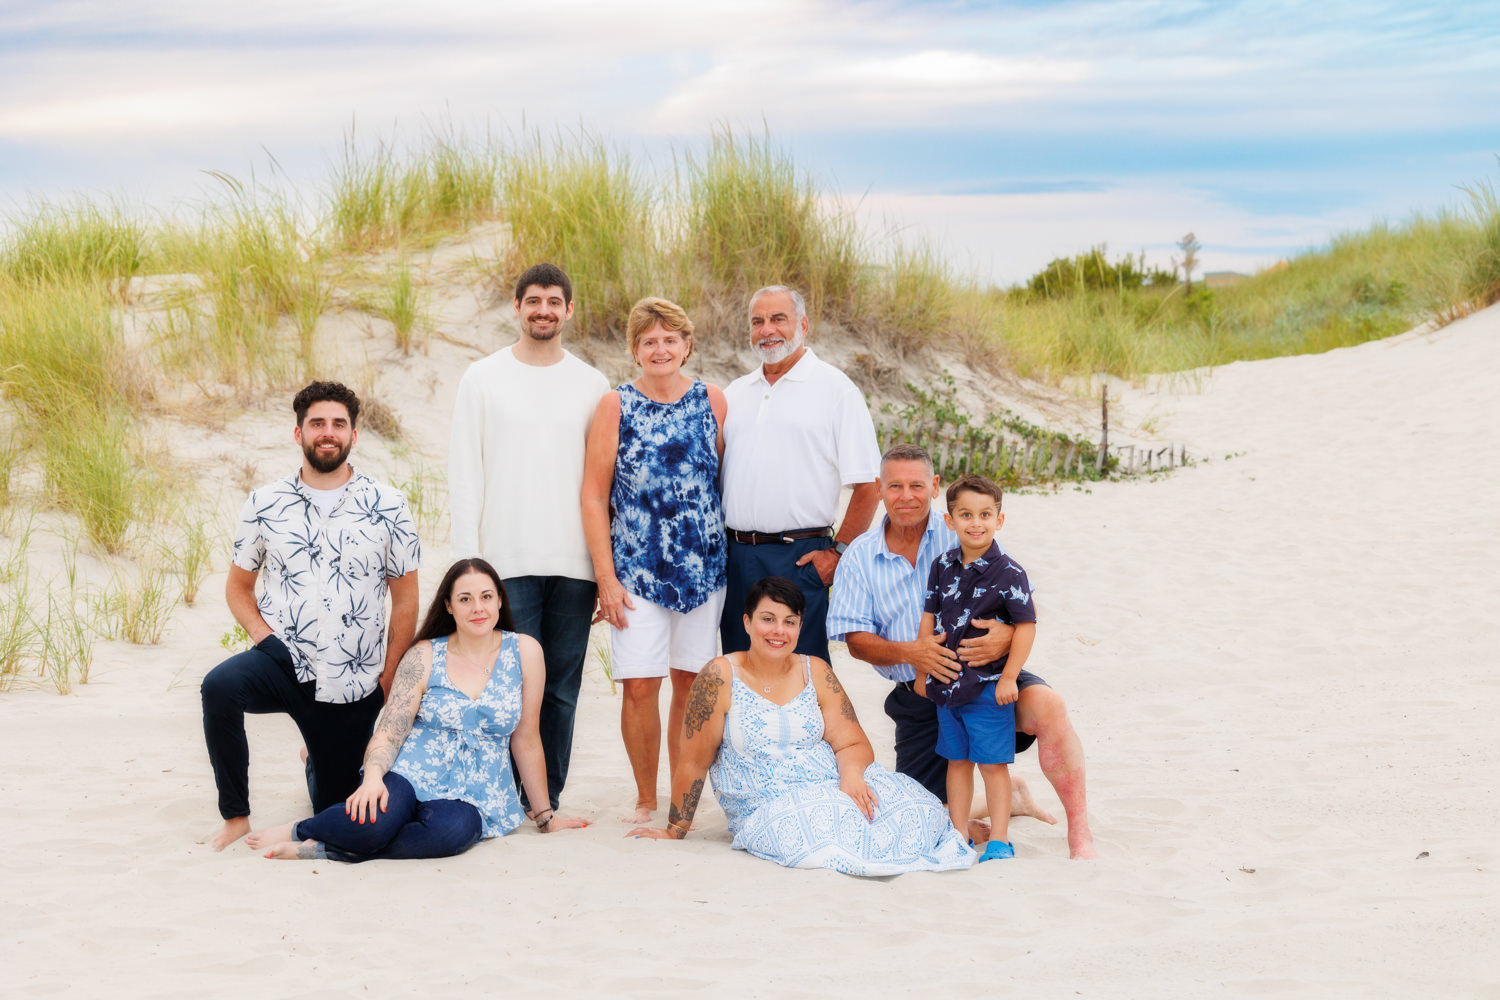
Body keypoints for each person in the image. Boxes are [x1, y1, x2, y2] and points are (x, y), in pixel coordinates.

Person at [828, 444, 1097, 859]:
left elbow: (1020, 606)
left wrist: (1006, 636)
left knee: (1050, 706)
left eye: (917, 485)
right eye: (895, 486)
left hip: (986, 674)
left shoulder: (965, 524)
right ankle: (1004, 801)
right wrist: (914, 654)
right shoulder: (860, 556)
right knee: (919, 813)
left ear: (934, 488)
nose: (906, 496)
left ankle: (1080, 833)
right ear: (879, 489)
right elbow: (855, 640)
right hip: (918, 692)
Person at [201, 381, 421, 851]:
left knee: (336, 809)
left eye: (338, 424)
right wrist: (265, 639)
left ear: (354, 436)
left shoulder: (389, 505)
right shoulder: (264, 504)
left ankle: (314, 756)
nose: (328, 433)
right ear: (297, 432)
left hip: (352, 680)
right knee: (219, 687)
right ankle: (235, 816)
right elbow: (238, 589)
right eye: (317, 423)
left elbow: (405, 600)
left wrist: (388, 677)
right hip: (284, 662)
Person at [246, 559, 587, 861]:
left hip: (475, 795)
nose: (477, 608)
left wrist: (545, 817)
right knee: (374, 823)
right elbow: (392, 729)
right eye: (465, 599)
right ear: (449, 606)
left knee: (449, 835)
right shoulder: (426, 654)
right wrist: (374, 778)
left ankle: (329, 848)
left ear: (500, 599)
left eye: (486, 596)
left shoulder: (525, 652)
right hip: (412, 772)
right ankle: (301, 828)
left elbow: (526, 739)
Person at [630, 577, 974, 876]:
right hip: (766, 805)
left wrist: (851, 776)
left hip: (833, 782)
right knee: (824, 834)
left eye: (789, 622)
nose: (778, 631)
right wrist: (675, 829)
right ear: (747, 622)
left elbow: (853, 744)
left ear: (799, 627)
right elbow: (694, 760)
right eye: (767, 619)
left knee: (911, 810)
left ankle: (988, 807)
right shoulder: (719, 676)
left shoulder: (816, 670)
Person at [449, 262, 610, 811]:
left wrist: (603, 568)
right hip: (503, 563)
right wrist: (468, 565)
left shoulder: (592, 384)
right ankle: (500, 796)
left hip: (573, 566)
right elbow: (465, 474)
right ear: (516, 308)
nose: (543, 310)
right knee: (506, 689)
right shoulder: (482, 377)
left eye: (554, 301)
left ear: (569, 310)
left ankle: (548, 798)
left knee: (561, 690)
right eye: (533, 300)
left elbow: (605, 484)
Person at [581, 297, 728, 824]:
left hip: (703, 570)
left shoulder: (713, 400)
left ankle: (679, 794)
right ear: (635, 351)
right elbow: (595, 496)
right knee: (640, 685)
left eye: (670, 339)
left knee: (690, 683)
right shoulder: (614, 405)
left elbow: (720, 482)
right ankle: (646, 798)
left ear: (687, 345)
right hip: (637, 571)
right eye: (649, 341)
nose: (660, 348)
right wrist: (606, 579)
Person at [719, 285, 881, 662]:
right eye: (757, 321)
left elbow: (870, 485)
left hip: (800, 558)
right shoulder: (736, 392)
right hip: (735, 557)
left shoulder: (836, 389)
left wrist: (837, 554)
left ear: (803, 324)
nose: (767, 330)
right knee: (739, 668)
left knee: (800, 671)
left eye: (778, 319)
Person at [920, 474, 1036, 862]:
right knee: (957, 762)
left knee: (991, 765)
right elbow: (929, 614)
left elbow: (1025, 627)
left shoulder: (1010, 573)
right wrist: (923, 669)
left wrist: (1008, 677)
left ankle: (1000, 838)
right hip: (947, 685)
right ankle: (957, 834)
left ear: (999, 520)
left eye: (986, 514)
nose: (976, 523)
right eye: (966, 514)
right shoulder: (941, 565)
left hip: (987, 688)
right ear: (949, 520)